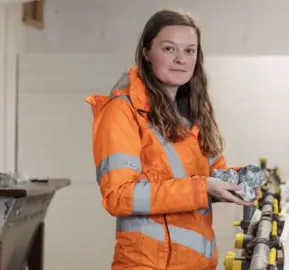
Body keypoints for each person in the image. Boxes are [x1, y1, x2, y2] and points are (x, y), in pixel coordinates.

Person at [86, 9, 256, 270]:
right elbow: (119, 196)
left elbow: (213, 175)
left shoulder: (192, 114)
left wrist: (241, 179)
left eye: (190, 51)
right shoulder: (122, 111)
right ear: (146, 52)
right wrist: (203, 188)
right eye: (169, 49)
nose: (181, 59)